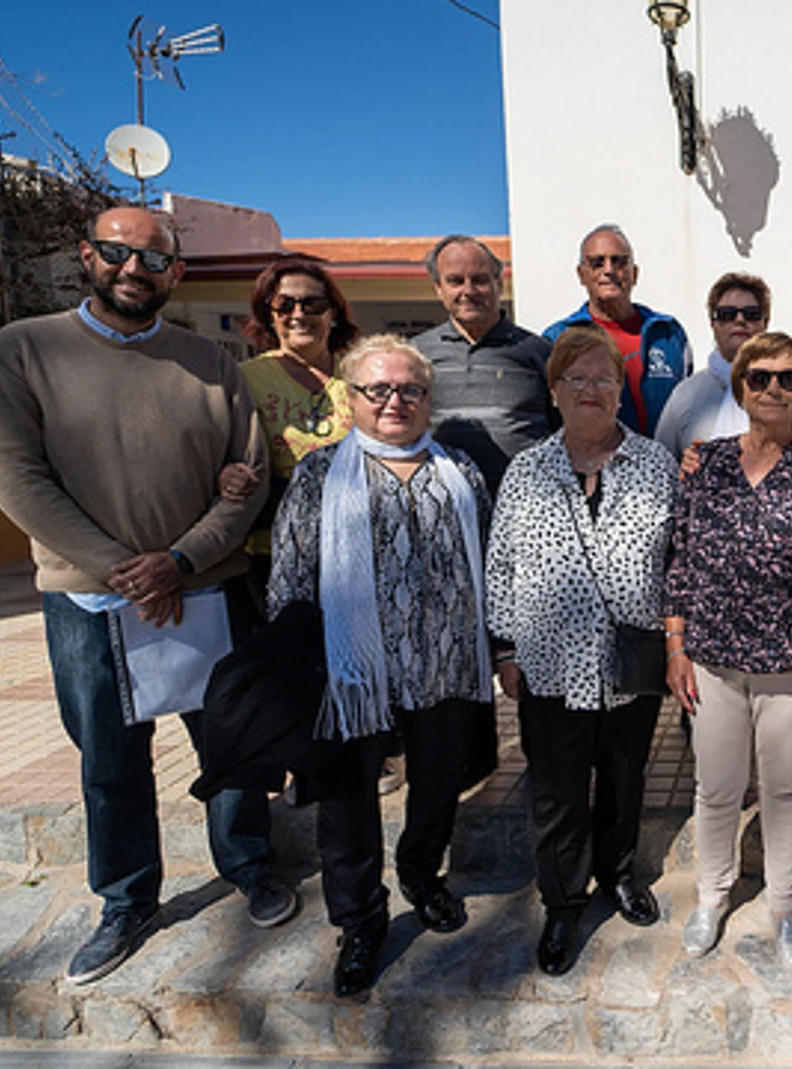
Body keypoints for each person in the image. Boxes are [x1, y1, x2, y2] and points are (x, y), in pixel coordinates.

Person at [0, 206, 294, 986]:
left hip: (204, 591)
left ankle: (250, 863)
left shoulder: (211, 364)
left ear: (176, 272)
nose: (133, 269)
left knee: (229, 742)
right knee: (109, 759)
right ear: (87, 255)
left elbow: (244, 478)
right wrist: (126, 568)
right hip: (91, 602)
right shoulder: (24, 351)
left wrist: (180, 560)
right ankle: (125, 898)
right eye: (117, 252)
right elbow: (17, 479)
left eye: (153, 259)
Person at [266, 334, 495, 997]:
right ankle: (360, 918)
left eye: (410, 389)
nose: (395, 400)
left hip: (445, 662)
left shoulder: (462, 471)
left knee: (437, 782)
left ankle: (423, 875)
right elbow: (290, 575)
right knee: (346, 802)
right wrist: (300, 662)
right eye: (378, 389)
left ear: (428, 397)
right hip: (350, 671)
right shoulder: (319, 473)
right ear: (352, 396)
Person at [663, 331, 792, 969]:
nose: (774, 389)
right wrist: (675, 647)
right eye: (760, 377)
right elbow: (679, 560)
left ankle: (785, 907)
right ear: (741, 387)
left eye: (789, 378)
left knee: (783, 787)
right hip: (712, 658)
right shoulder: (709, 464)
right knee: (716, 786)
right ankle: (711, 896)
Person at [486, 326, 679, 975]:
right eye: (577, 378)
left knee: (624, 777)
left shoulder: (655, 463)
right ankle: (563, 900)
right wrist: (506, 648)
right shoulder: (526, 469)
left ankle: (617, 872)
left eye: (604, 378)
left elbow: (679, 562)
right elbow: (502, 564)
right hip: (548, 662)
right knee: (559, 790)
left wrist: (678, 642)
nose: (591, 389)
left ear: (622, 391)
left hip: (632, 660)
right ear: (554, 390)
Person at [232, 259, 361, 585]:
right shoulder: (244, 380)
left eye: (313, 304)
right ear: (269, 315)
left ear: (333, 313)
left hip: (357, 546)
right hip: (274, 551)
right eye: (284, 304)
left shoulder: (363, 375)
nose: (299, 314)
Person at [414, 234, 556, 494]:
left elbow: (564, 432)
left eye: (479, 280)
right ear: (438, 288)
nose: (468, 291)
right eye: (455, 281)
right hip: (446, 510)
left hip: (526, 509)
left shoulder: (540, 352)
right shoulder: (415, 356)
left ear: (499, 284)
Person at [654, 272, 792, 454]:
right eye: (727, 314)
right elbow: (663, 463)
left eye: (751, 314)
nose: (740, 321)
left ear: (765, 322)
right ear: (713, 323)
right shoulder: (687, 394)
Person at [543, 224, 690, 438]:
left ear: (635, 273)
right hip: (592, 468)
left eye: (619, 261)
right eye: (597, 263)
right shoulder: (558, 339)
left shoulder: (668, 334)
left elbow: (688, 410)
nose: (609, 270)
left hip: (665, 466)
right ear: (581, 274)